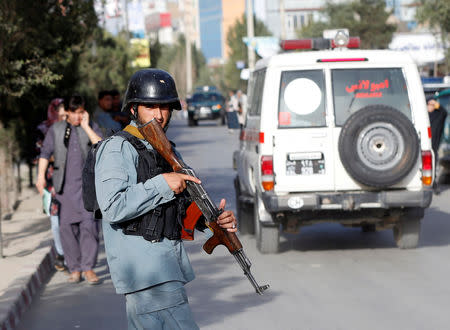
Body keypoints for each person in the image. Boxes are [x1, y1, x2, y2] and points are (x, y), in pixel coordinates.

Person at [94, 69, 237, 330]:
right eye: (150, 106)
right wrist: (163, 183)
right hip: (147, 275)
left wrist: (212, 221)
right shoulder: (117, 148)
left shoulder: (165, 149)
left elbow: (178, 209)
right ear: (134, 109)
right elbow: (113, 206)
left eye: (165, 107)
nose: (159, 114)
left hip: (165, 270)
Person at [36, 95, 103, 284]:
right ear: (67, 112)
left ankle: (88, 268)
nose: (76, 116)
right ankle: (74, 268)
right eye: (73, 112)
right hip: (64, 189)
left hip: (87, 189)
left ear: (84, 112)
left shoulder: (90, 127)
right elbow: (45, 153)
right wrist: (40, 177)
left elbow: (102, 146)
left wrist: (86, 126)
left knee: (89, 227)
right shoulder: (56, 130)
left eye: (80, 112)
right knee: (67, 229)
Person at [35, 98, 67, 271]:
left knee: (72, 221)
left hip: (72, 181)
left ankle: (72, 257)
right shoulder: (43, 129)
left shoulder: (73, 129)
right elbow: (40, 154)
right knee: (55, 222)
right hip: (50, 183)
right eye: (59, 112)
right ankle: (61, 254)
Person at [427, 96, 448, 194]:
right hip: (423, 145)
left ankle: (434, 185)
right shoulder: (424, 116)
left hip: (434, 145)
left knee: (433, 165)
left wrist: (437, 105)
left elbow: (445, 112)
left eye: (433, 105)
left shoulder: (439, 114)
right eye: (430, 104)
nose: (431, 107)